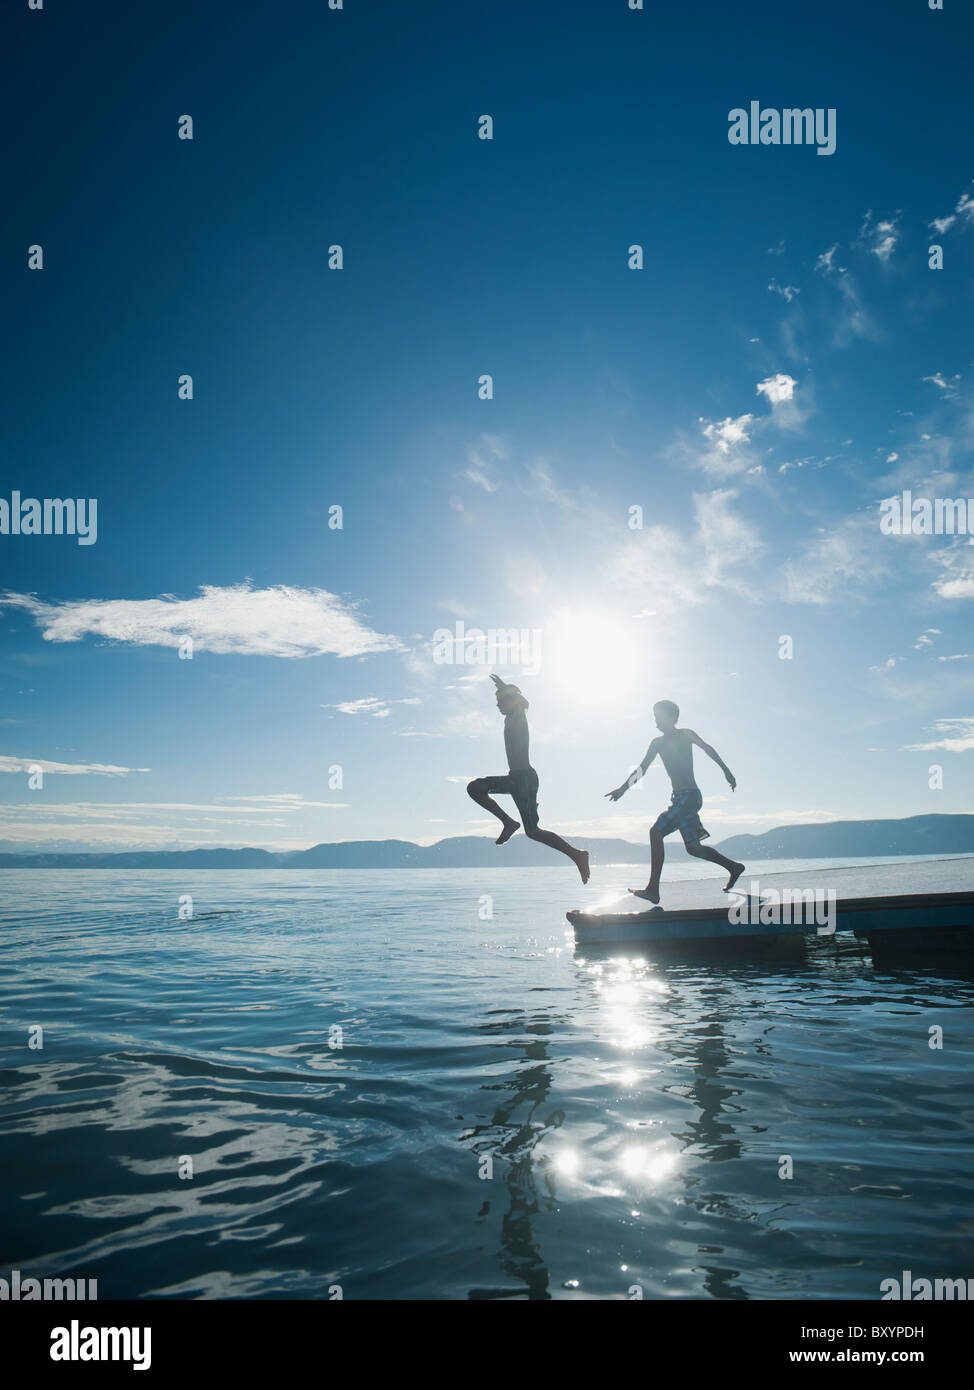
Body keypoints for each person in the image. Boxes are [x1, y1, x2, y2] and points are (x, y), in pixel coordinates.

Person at [605, 699, 744, 904]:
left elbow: (708, 749)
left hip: (689, 796)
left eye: (658, 716)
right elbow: (641, 769)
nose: (655, 721)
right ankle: (734, 867)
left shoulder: (685, 734)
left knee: (655, 832)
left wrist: (727, 772)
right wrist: (623, 789)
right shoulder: (657, 743)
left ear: (670, 717)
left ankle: (653, 890)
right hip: (682, 799)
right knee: (693, 848)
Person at [467, 675, 590, 883]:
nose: (498, 705)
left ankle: (577, 855)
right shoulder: (510, 717)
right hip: (515, 778)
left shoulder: (518, 714)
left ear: (512, 700)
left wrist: (505, 687)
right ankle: (508, 822)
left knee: (533, 831)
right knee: (475, 788)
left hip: (524, 779)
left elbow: (522, 703)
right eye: (497, 702)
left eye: (501, 701)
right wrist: (504, 691)